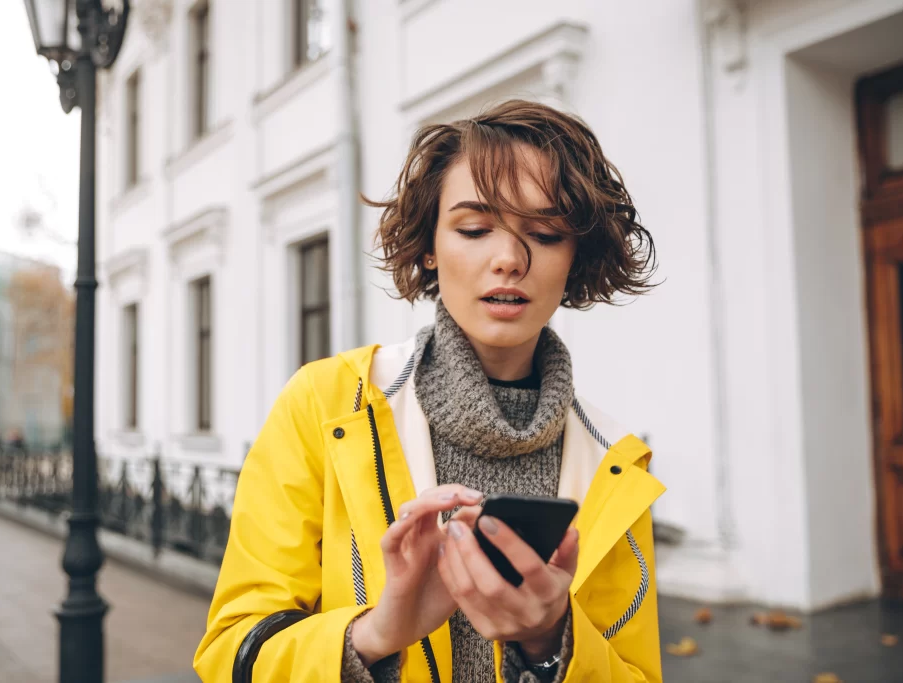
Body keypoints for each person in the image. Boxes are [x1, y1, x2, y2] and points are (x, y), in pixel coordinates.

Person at [195, 100, 664, 683]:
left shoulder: (615, 462)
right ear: (428, 246)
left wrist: (550, 646)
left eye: (545, 233)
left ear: (575, 260)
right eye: (474, 228)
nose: (509, 260)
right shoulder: (326, 403)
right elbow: (230, 652)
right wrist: (378, 634)